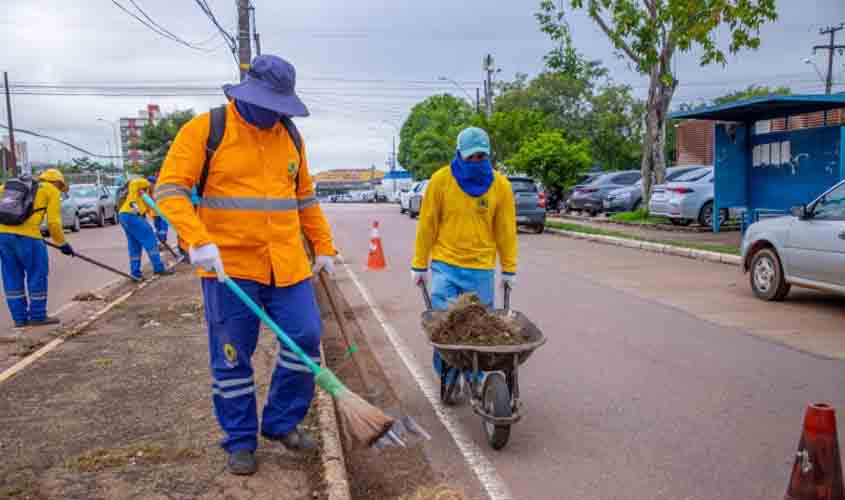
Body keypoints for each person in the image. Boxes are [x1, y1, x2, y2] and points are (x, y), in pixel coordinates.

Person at [156, 54, 337, 476]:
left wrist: (323, 246)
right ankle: (239, 440)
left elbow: (305, 198)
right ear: (247, 93)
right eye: (269, 104)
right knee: (233, 357)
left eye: (281, 107)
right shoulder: (206, 129)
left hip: (287, 264)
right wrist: (196, 240)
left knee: (305, 339)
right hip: (228, 267)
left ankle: (280, 422)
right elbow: (169, 190)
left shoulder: (290, 136)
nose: (274, 114)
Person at [411, 126, 518, 399]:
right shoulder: (441, 181)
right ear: (459, 154)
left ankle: (478, 379)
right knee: (445, 327)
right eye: (470, 157)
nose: (475, 162)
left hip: (481, 269)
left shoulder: (500, 186)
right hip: (445, 265)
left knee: (480, 332)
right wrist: (419, 264)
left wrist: (509, 268)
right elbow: (427, 225)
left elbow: (505, 231)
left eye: (481, 157)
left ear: (488, 155)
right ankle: (447, 371)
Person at [0, 169, 75, 331]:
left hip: (3, 236)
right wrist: (62, 244)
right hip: (29, 237)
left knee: (11, 276)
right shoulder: (51, 190)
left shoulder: (10, 186)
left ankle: (19, 319)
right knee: (37, 274)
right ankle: (38, 316)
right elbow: (53, 222)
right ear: (58, 183)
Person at [118, 176, 170, 280]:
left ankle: (135, 272)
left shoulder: (144, 196)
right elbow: (134, 182)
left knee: (134, 245)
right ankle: (159, 268)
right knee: (150, 239)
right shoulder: (143, 183)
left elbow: (155, 210)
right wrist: (133, 202)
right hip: (131, 215)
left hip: (124, 216)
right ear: (153, 184)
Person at [146, 176, 169, 245]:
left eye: (149, 183)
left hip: (162, 213)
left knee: (163, 229)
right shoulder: (148, 191)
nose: (148, 185)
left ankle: (163, 241)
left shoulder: (159, 190)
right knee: (158, 229)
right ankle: (161, 242)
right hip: (155, 214)